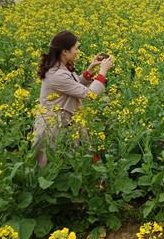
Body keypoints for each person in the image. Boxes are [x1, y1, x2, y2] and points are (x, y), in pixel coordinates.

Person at [33, 31, 113, 168]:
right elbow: (90, 94)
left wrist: (90, 70)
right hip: (53, 128)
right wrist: (103, 72)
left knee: (70, 163)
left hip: (64, 122)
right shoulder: (57, 74)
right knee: (53, 167)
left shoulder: (60, 68)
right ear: (64, 51)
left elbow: (73, 85)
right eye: (76, 48)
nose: (78, 51)